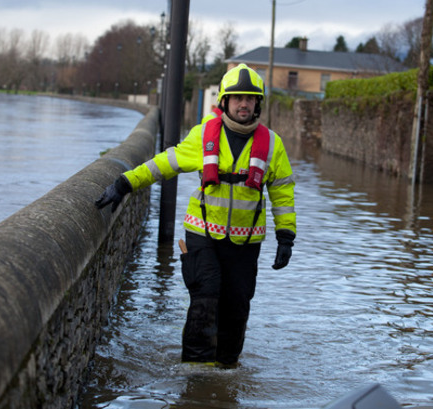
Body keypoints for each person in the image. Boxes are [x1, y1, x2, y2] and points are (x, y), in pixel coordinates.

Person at [95, 63, 296, 368]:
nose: (244, 104)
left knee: (237, 307)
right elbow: (165, 163)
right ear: (225, 101)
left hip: (245, 243)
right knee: (205, 298)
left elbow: (282, 191)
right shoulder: (204, 136)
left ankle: (226, 372)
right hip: (202, 234)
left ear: (258, 104)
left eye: (251, 99)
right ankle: (196, 375)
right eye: (238, 98)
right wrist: (125, 183)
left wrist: (286, 237)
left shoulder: (272, 145)